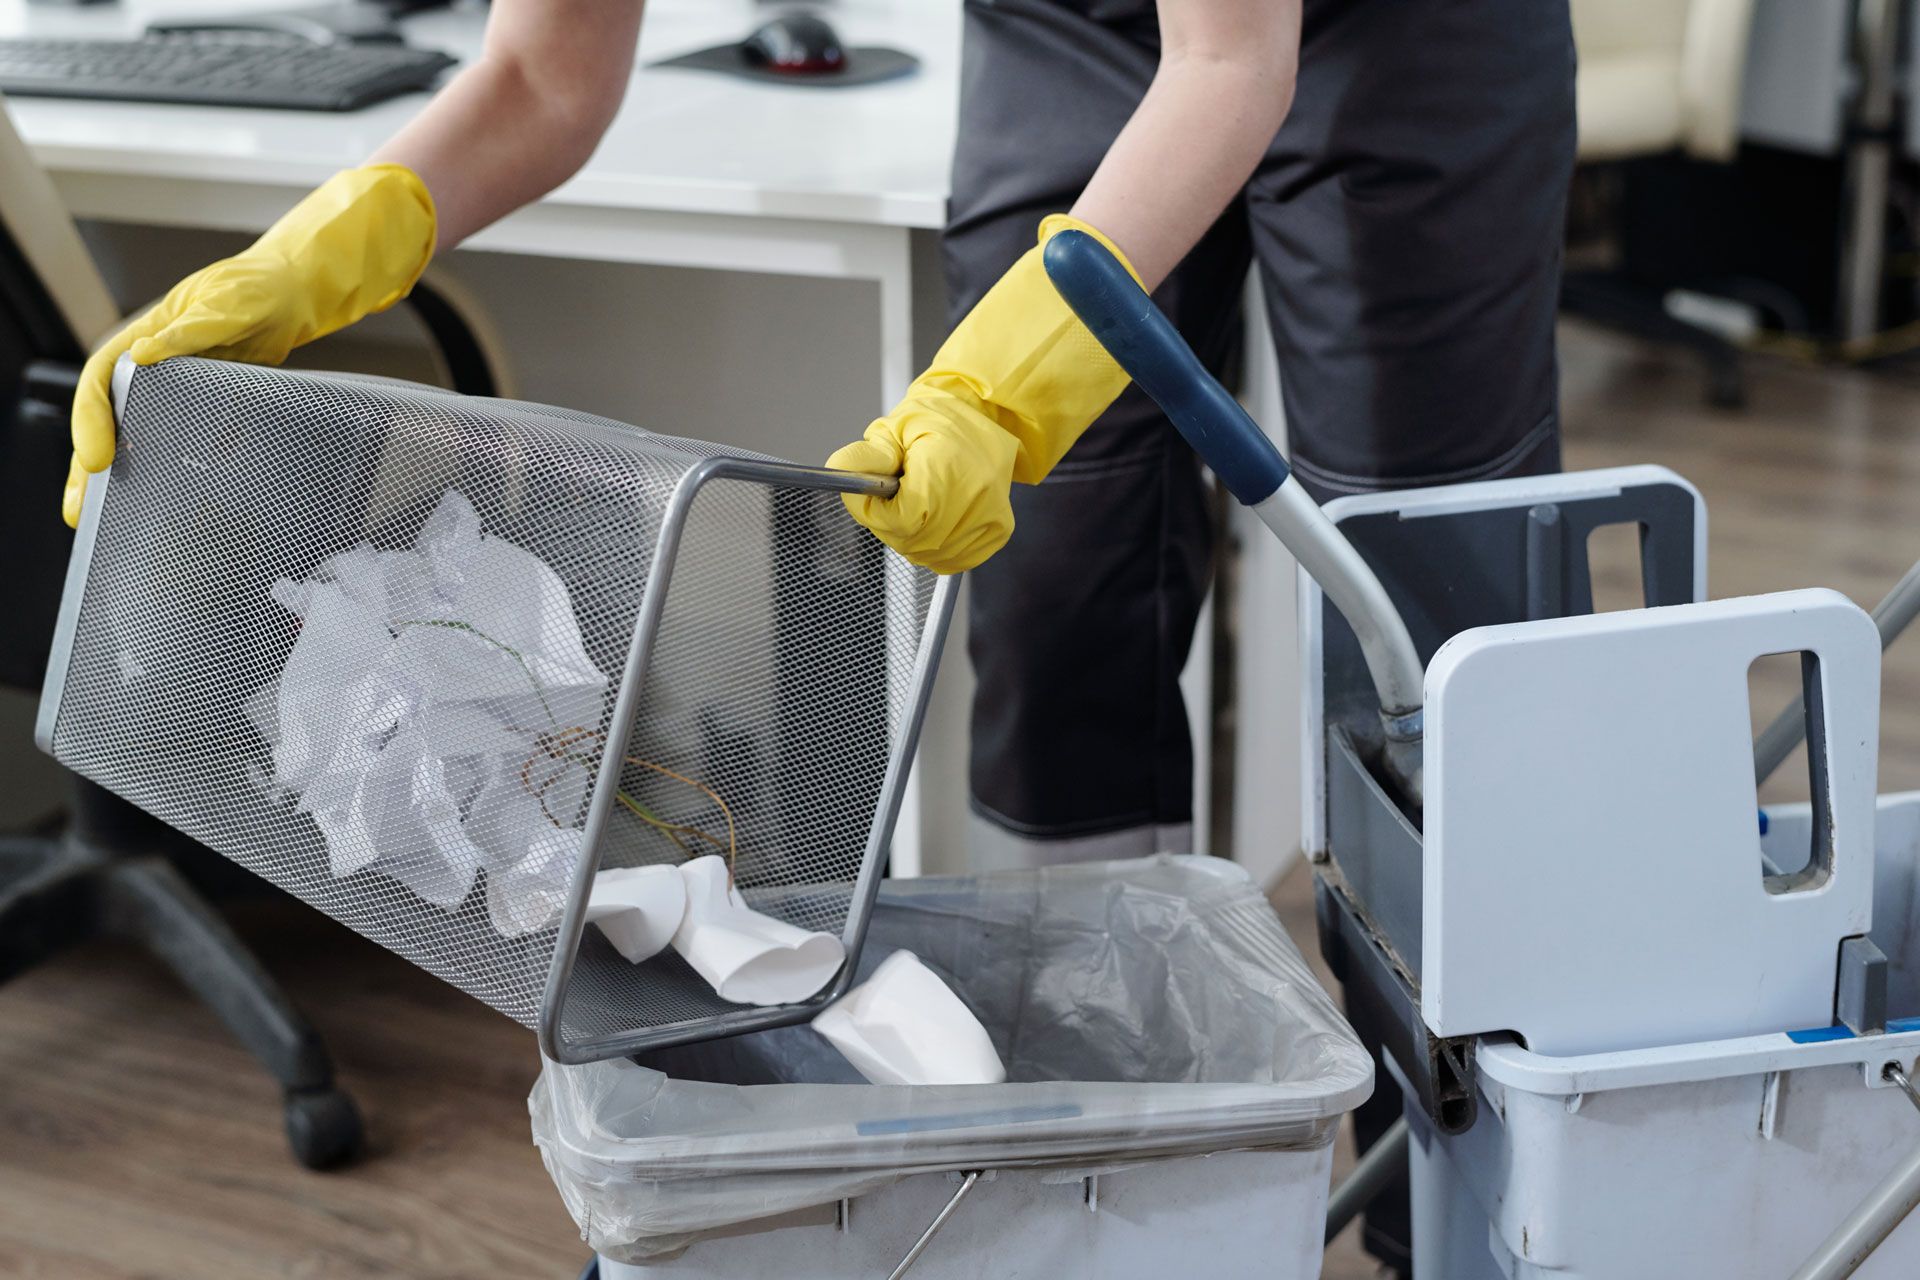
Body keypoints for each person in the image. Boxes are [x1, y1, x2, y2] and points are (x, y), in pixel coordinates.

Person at [63, 1, 1574, 1271]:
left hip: (1398, 34)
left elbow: (1232, 65)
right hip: (1074, 31)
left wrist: (993, 393)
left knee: (1422, 635)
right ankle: (1098, 1181)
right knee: (1049, 609)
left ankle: (1474, 1214)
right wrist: (311, 259)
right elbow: (539, 72)